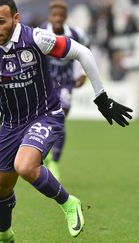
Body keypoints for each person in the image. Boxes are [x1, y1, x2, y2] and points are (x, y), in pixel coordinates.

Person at [0, 0, 132, 241]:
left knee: (24, 166)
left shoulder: (36, 38)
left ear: (16, 19)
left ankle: (68, 203)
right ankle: (4, 235)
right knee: (1, 185)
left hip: (45, 114)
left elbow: (82, 52)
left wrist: (102, 98)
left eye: (0, 21)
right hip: (10, 124)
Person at [43, 0, 90, 180]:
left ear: (65, 17)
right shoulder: (40, 32)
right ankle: (44, 151)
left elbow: (87, 51)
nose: (57, 18)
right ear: (50, 16)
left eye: (60, 15)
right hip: (46, 81)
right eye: (54, 15)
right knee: (42, 119)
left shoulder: (77, 35)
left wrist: (83, 73)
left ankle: (54, 161)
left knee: (60, 119)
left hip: (65, 82)